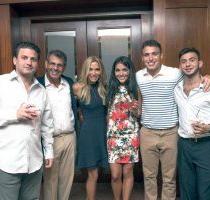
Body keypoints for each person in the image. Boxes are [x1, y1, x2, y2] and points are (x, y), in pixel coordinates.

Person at [136, 39, 210, 200]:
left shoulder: (175, 73)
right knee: (149, 177)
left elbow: (194, 75)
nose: (150, 58)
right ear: (142, 58)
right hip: (147, 132)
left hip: (171, 133)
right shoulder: (139, 76)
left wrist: (208, 76)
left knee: (169, 178)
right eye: (146, 55)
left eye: (154, 54)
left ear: (161, 55)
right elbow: (140, 102)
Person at [0, 41, 54, 200]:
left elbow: (47, 124)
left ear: (37, 63)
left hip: (34, 163)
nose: (29, 62)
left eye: (33, 59)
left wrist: (49, 151)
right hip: (6, 162)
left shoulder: (41, 91)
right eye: (24, 57)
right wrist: (15, 114)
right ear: (15, 60)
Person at [174, 47, 210, 200]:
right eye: (184, 61)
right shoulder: (177, 89)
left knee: (206, 191)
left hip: (206, 145)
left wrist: (209, 127)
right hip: (184, 145)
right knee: (186, 190)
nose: (187, 64)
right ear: (180, 66)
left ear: (200, 63)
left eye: (192, 60)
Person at [37, 50, 78, 200]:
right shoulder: (38, 84)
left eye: (59, 65)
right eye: (52, 63)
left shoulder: (70, 83)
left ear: (64, 67)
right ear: (46, 64)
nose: (55, 68)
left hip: (69, 137)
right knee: (50, 181)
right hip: (49, 140)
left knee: (67, 179)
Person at [73, 56, 108, 200]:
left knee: (97, 173)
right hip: (88, 135)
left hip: (102, 132)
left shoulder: (103, 88)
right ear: (85, 71)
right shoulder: (77, 87)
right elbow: (72, 110)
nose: (94, 73)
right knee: (92, 174)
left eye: (97, 69)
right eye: (90, 69)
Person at [106, 56, 140, 200]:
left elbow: (138, 114)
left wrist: (135, 110)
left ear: (129, 71)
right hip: (113, 137)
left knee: (127, 173)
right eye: (117, 70)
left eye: (124, 70)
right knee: (115, 176)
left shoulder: (135, 89)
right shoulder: (109, 90)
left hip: (131, 136)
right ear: (114, 72)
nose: (121, 73)